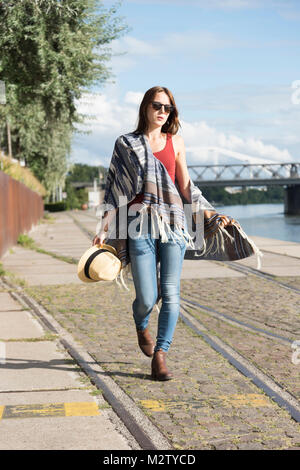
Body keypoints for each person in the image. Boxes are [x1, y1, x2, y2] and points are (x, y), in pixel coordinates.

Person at [93, 86, 237, 381]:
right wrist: (104, 226)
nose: (162, 112)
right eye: (157, 106)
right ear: (145, 107)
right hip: (138, 224)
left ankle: (161, 355)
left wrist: (210, 213)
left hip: (173, 224)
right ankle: (140, 324)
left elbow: (185, 186)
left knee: (171, 293)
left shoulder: (177, 142)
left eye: (168, 108)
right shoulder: (126, 143)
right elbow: (115, 188)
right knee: (146, 296)